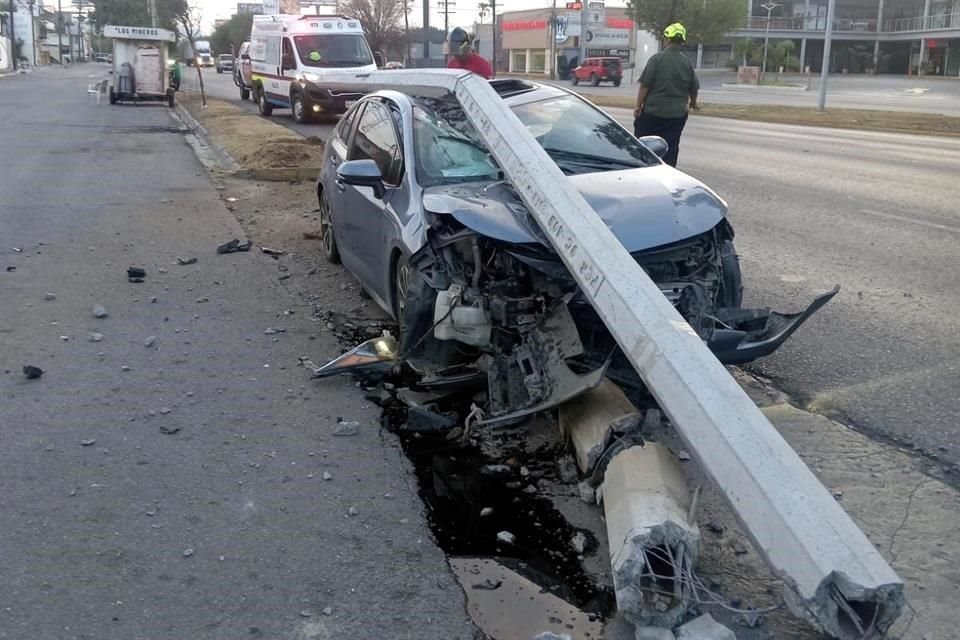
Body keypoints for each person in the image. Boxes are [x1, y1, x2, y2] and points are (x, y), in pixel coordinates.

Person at [633, 23, 700, 168]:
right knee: (672, 145)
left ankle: (642, 168)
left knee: (642, 143)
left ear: (667, 39)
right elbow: (694, 88)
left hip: (653, 113)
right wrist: (693, 103)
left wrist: (638, 106)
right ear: (682, 41)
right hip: (677, 115)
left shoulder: (656, 59)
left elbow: (645, 86)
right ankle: (668, 170)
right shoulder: (686, 62)